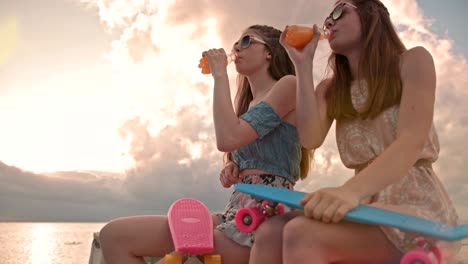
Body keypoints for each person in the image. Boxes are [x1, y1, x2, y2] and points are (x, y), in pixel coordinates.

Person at [249, 1, 461, 263]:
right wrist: (302, 65)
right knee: (270, 231)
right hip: (363, 201)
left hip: (414, 202)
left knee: (302, 233)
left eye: (339, 12)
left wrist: (349, 191)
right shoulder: (330, 88)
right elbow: (309, 138)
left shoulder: (412, 60)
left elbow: (411, 141)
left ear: (371, 15)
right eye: (327, 17)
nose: (328, 22)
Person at [98, 24, 312, 264]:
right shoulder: (246, 108)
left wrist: (220, 75)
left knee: (188, 246)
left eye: (246, 41)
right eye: (235, 44)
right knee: (114, 236)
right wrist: (235, 169)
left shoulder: (288, 85)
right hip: (234, 211)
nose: (236, 49)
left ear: (269, 52)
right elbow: (240, 146)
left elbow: (227, 139)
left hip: (266, 219)